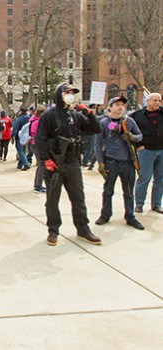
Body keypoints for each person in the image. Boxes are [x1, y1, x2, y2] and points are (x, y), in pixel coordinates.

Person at [34, 83, 102, 246]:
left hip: (72, 163)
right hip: (54, 164)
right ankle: (53, 230)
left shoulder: (76, 115)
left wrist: (88, 112)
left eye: (72, 93)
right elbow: (40, 139)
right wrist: (46, 159)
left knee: (78, 198)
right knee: (52, 199)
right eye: (67, 92)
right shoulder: (49, 115)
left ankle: (83, 229)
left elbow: (95, 128)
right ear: (60, 94)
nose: (70, 95)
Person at [94, 96, 144, 230]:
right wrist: (100, 163)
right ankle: (105, 214)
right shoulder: (103, 122)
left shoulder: (129, 121)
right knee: (108, 191)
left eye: (122, 105)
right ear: (110, 107)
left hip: (127, 163)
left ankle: (130, 217)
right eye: (117, 104)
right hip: (111, 161)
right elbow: (98, 143)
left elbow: (140, 135)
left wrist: (133, 137)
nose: (120, 107)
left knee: (128, 192)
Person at [131, 92, 162, 214]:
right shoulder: (137, 116)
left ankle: (156, 204)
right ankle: (139, 204)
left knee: (160, 179)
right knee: (144, 178)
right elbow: (130, 132)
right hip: (146, 151)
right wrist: (138, 146)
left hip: (162, 150)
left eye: (159, 100)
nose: (157, 103)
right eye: (154, 100)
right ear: (148, 102)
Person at [29, 106, 46, 193]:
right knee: (41, 165)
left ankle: (38, 184)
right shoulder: (37, 122)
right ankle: (38, 185)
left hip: (36, 144)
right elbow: (37, 135)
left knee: (41, 164)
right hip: (37, 145)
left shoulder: (35, 121)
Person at [11, 105, 32, 170]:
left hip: (19, 136)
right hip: (28, 136)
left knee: (20, 150)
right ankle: (20, 164)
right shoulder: (29, 118)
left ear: (20, 111)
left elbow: (15, 129)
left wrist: (12, 136)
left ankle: (26, 163)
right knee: (23, 150)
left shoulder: (18, 119)